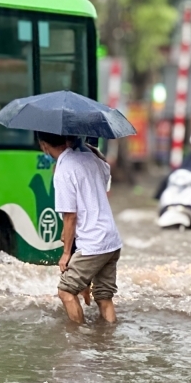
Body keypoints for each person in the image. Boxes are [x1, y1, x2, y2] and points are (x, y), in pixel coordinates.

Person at [38, 131, 123, 324]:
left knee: (65, 291)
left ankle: (80, 335)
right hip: (111, 240)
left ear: (44, 145)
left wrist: (66, 253)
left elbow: (70, 215)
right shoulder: (91, 158)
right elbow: (105, 176)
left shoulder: (64, 169)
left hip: (93, 243)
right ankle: (108, 336)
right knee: (104, 296)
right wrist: (94, 150)